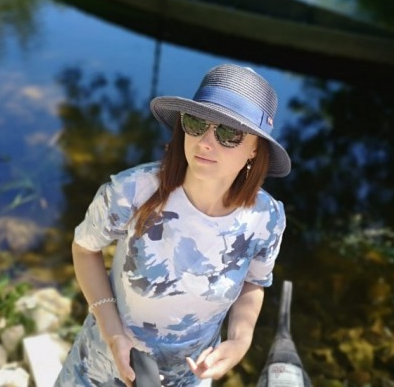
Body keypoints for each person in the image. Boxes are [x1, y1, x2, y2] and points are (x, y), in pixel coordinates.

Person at [55, 63, 292, 386]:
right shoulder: (132, 191)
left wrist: (239, 342)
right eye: (196, 123)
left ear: (255, 149)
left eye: (228, 133)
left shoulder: (267, 219)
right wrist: (113, 334)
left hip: (188, 379)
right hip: (100, 370)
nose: (205, 142)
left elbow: (254, 282)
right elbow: (84, 249)